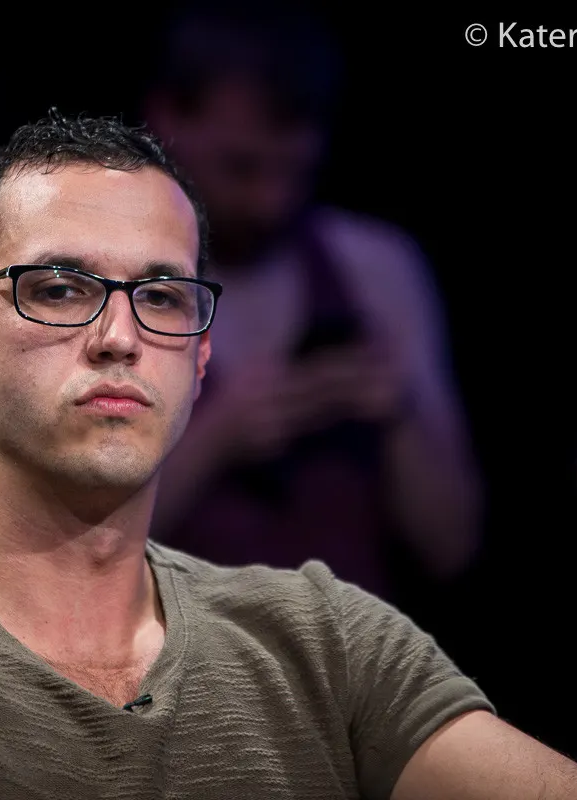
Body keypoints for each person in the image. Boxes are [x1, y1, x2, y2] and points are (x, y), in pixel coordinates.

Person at [0, 110, 577, 799]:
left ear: (201, 355)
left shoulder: (324, 637)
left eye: (162, 298)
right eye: (59, 288)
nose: (119, 337)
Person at [142, 2, 483, 599]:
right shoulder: (114, 281)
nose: (270, 203)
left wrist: (399, 414)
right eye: (241, 167)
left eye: (293, 172)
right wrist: (220, 433)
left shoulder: (375, 271)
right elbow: (69, 553)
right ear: (167, 118)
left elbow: (452, 547)